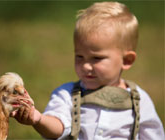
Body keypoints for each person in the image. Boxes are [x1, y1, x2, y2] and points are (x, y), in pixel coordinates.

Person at [11, 2, 165, 140]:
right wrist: (39, 120)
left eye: (96, 58)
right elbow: (58, 128)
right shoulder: (67, 94)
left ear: (126, 60)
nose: (85, 66)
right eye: (79, 56)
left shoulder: (139, 101)